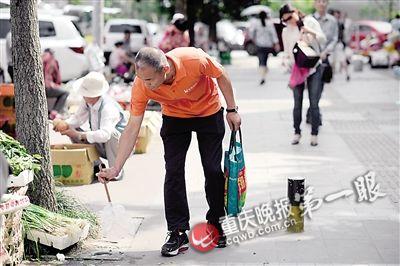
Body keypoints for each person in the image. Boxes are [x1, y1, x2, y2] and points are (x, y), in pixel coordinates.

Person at [97, 47, 241, 256]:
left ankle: (216, 222)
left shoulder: (194, 60)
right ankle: (177, 231)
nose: (145, 85)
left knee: (212, 169)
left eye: (149, 80)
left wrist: (232, 109)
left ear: (165, 69)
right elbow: (132, 127)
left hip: (207, 111)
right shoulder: (141, 84)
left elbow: (222, 76)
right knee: (173, 171)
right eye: (142, 79)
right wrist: (116, 167)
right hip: (175, 117)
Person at [53, 72, 127, 180]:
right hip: (101, 143)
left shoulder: (108, 108)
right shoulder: (87, 102)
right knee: (73, 129)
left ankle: (115, 170)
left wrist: (79, 135)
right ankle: (97, 166)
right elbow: (77, 119)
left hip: (118, 147)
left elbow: (105, 135)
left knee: (111, 134)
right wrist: (65, 125)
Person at [280, 4, 326, 146]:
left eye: (289, 17)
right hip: (297, 69)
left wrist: (309, 31)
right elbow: (287, 51)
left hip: (313, 67)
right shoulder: (286, 31)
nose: (289, 21)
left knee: (314, 103)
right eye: (285, 20)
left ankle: (314, 134)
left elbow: (323, 39)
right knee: (297, 103)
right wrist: (286, 61)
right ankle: (297, 132)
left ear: (295, 12)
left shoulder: (310, 21)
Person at [306, 0, 338, 125]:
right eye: (319, 1)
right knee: (312, 88)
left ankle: (313, 110)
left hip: (325, 60)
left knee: (319, 88)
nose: (322, 4)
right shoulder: (309, 20)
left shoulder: (332, 21)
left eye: (324, 1)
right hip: (310, 60)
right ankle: (314, 113)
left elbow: (335, 39)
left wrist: (326, 51)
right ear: (315, 4)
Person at [249, 11, 280, 86]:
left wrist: (254, 40)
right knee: (265, 61)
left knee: (261, 61)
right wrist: (276, 44)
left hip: (259, 45)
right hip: (268, 45)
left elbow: (251, 33)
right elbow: (273, 34)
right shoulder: (269, 23)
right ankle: (264, 75)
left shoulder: (256, 23)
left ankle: (262, 76)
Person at [42, 48, 69, 119]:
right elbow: (58, 78)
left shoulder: (39, 60)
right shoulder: (53, 61)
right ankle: (54, 112)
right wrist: (55, 84)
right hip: (47, 87)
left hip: (37, 88)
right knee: (65, 93)